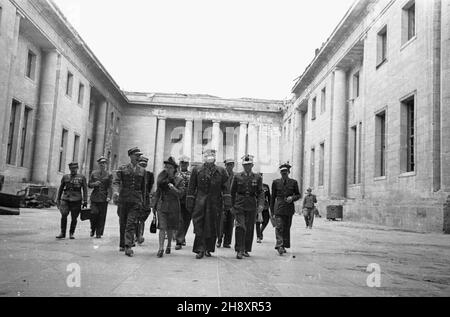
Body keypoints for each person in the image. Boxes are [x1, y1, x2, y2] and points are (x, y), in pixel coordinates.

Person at [187, 149, 231, 259]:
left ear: (215, 158)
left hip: (215, 202)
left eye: (211, 156)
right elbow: (191, 187)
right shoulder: (197, 170)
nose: (209, 158)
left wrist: (227, 202)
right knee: (199, 224)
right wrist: (190, 203)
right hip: (200, 202)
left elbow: (226, 188)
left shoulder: (221, 171)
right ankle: (200, 249)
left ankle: (208, 249)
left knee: (212, 225)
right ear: (204, 158)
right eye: (207, 156)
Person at [113, 147, 146, 257]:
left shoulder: (142, 170)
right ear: (131, 156)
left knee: (130, 223)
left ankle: (128, 246)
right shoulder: (122, 168)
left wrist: (143, 202)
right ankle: (123, 244)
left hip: (136, 200)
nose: (138, 157)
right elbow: (116, 182)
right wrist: (116, 192)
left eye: (139, 156)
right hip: (123, 199)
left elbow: (143, 188)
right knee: (123, 222)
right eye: (136, 155)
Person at [231, 155, 264, 259]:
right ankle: (239, 250)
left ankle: (246, 249)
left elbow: (260, 192)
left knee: (249, 228)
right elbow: (232, 192)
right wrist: (231, 206)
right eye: (245, 165)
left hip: (251, 204)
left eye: (249, 165)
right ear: (242, 165)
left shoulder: (257, 177)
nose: (247, 167)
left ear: (252, 165)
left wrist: (260, 204)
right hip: (239, 204)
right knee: (240, 226)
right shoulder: (237, 176)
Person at [152, 157, 184, 258]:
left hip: (173, 206)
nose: (168, 169)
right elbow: (157, 192)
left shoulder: (179, 180)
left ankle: (169, 244)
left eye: (170, 167)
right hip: (162, 205)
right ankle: (160, 248)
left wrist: (173, 188)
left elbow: (181, 194)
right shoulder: (161, 178)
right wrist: (154, 205)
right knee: (162, 227)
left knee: (170, 228)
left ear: (175, 169)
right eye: (166, 167)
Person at [271, 162, 301, 255]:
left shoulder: (294, 182)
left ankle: (283, 245)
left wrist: (292, 198)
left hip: (289, 208)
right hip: (279, 208)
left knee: (286, 228)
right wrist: (271, 211)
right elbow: (273, 198)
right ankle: (279, 245)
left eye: (285, 172)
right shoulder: (275, 182)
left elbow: (298, 195)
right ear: (280, 173)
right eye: (282, 172)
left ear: (288, 172)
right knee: (279, 227)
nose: (284, 173)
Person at [56, 162, 88, 240]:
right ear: (70, 169)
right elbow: (61, 188)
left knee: (74, 217)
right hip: (66, 198)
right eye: (71, 168)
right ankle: (62, 233)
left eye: (75, 168)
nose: (73, 170)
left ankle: (71, 233)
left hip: (76, 199)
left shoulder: (82, 177)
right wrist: (58, 199)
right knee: (64, 214)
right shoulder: (65, 177)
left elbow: (85, 189)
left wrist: (85, 200)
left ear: (77, 168)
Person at [88, 156, 113, 239]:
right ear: (99, 164)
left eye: (104, 163)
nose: (103, 165)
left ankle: (99, 232)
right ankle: (92, 228)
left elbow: (110, 186)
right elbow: (89, 184)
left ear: (106, 164)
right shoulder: (94, 173)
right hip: (94, 197)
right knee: (93, 214)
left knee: (102, 216)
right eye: (101, 163)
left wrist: (109, 196)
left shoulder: (109, 174)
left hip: (103, 198)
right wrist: (94, 184)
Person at [217, 159, 236, 249]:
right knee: (221, 222)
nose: (230, 166)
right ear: (225, 166)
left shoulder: (235, 175)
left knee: (230, 222)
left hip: (232, 202)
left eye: (231, 164)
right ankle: (219, 240)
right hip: (223, 201)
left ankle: (227, 242)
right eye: (228, 165)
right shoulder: (222, 175)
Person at [136, 156, 155, 245]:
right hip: (136, 197)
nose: (143, 166)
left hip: (145, 198)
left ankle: (140, 234)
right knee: (135, 217)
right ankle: (135, 235)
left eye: (144, 164)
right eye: (141, 164)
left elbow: (150, 187)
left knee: (142, 217)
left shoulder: (149, 174)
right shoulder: (135, 173)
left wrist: (150, 198)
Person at [175, 156, 192, 250]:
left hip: (189, 200)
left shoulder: (192, 174)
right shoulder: (176, 174)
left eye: (185, 163)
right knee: (180, 220)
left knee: (187, 220)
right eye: (182, 163)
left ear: (188, 164)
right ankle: (179, 240)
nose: (183, 164)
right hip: (178, 200)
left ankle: (182, 237)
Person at [256, 179, 272, 244]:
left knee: (266, 220)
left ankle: (260, 231)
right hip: (257, 205)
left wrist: (271, 206)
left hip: (265, 206)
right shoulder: (255, 185)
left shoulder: (266, 186)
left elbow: (269, 197)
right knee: (257, 221)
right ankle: (258, 236)